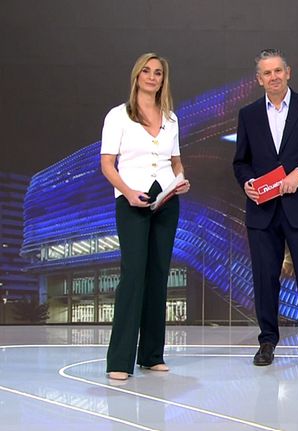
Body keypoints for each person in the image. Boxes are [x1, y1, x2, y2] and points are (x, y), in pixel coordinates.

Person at [233, 48, 298, 366]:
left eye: (278, 70)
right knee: (265, 280)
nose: (274, 77)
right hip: (263, 212)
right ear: (259, 79)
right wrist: (248, 182)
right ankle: (267, 341)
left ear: (288, 73)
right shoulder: (248, 115)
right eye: (267, 73)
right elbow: (241, 162)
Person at [100, 53, 190, 380]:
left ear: (163, 79)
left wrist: (181, 179)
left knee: (158, 274)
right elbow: (107, 163)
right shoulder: (118, 116)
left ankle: (151, 355)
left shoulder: (171, 119)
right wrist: (127, 191)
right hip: (132, 200)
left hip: (167, 201)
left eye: (158, 73)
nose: (152, 77)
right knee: (134, 274)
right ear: (137, 76)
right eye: (147, 71)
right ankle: (119, 360)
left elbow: (175, 161)